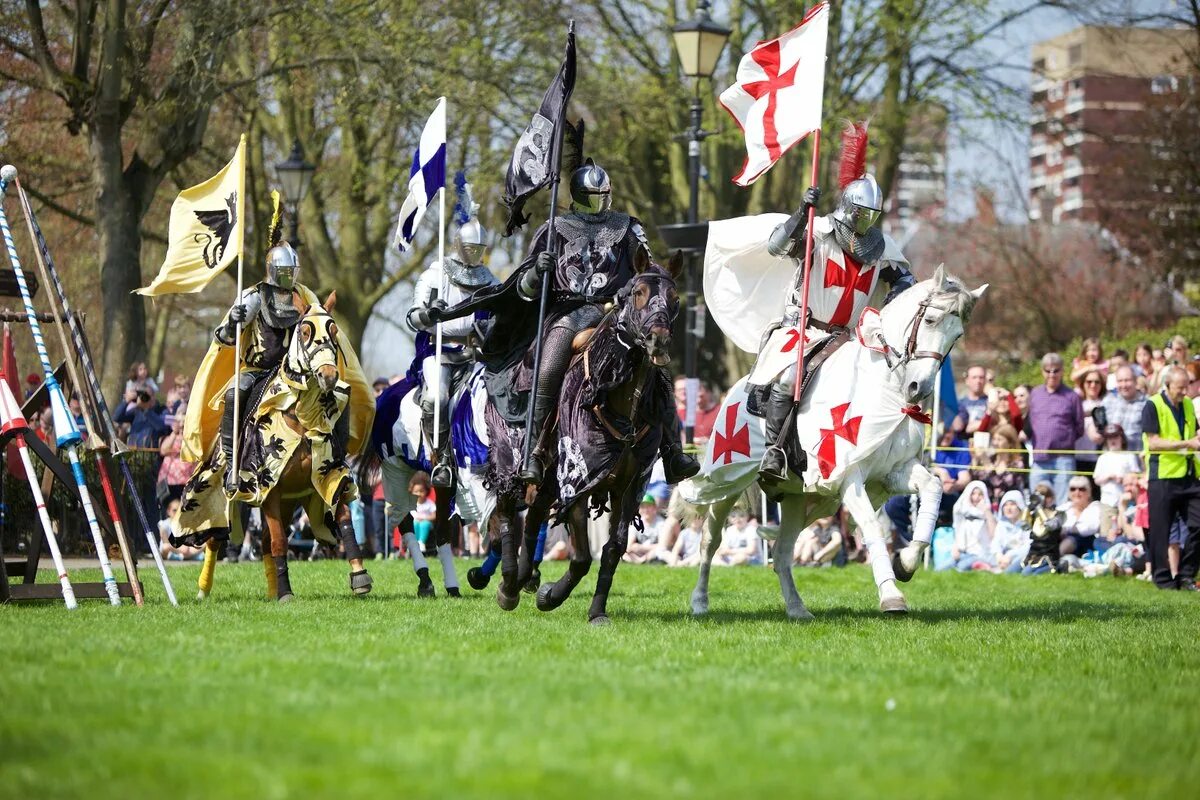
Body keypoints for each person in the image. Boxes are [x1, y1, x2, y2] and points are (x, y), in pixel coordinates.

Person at [422, 160, 697, 486]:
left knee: (655, 362)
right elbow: (523, 287)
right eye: (591, 196)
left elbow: (647, 272)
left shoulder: (629, 228)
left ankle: (673, 451)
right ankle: (534, 451)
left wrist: (629, 293)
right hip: (567, 313)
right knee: (549, 366)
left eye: (602, 195)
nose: (598, 202)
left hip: (617, 312)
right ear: (578, 195)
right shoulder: (553, 230)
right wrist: (539, 271)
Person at [755, 122, 916, 480]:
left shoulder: (882, 247)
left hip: (848, 339)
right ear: (847, 207)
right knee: (788, 378)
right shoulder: (820, 230)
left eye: (872, 216)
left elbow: (906, 280)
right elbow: (776, 247)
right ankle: (774, 451)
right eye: (861, 213)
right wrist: (801, 212)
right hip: (804, 331)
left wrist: (887, 314)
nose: (865, 221)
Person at [405, 180, 499, 488]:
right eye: (470, 248)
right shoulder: (435, 274)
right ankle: (441, 460)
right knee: (438, 398)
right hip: (439, 352)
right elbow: (413, 316)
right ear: (459, 245)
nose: (474, 254)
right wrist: (431, 314)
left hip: (476, 354)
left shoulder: (489, 281)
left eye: (479, 249)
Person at [210, 239, 308, 491]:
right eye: (285, 271)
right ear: (273, 270)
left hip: (290, 373)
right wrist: (233, 321)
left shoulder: (303, 298)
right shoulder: (254, 297)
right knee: (235, 393)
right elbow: (224, 338)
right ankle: (232, 464)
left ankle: (333, 459)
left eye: (292, 272)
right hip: (258, 372)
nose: (289, 277)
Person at [1140, 365, 1200, 590]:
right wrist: (1188, 444)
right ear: (1167, 385)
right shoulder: (1152, 405)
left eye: (1187, 386)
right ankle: (1163, 580)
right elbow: (1153, 442)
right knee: (1160, 532)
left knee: (1198, 524)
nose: (1185, 392)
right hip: (1162, 477)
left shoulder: (1187, 405)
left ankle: (1185, 576)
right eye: (1179, 388)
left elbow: (1194, 433)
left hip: (1188, 475)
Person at [1026, 352, 1084, 502]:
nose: (1052, 374)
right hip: (1039, 459)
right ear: (1042, 372)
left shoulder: (1072, 396)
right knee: (1036, 503)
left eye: (1056, 370)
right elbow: (1031, 421)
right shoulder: (1035, 393)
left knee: (1062, 505)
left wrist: (1063, 440)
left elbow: (1079, 427)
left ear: (1062, 371)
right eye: (1048, 370)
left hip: (1063, 459)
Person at [1093, 424, 1140, 538]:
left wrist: (1124, 479)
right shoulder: (1103, 458)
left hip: (1127, 502)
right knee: (1107, 533)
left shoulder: (1129, 456)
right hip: (1108, 501)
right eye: (1109, 438)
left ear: (1122, 438)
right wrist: (1109, 477)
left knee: (1128, 533)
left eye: (1115, 437)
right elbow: (1096, 479)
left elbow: (1136, 475)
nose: (1112, 441)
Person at [969, 423, 1026, 506]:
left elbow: (1000, 485)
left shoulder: (1017, 464)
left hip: (1008, 508)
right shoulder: (991, 459)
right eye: (994, 439)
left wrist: (986, 462)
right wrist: (975, 458)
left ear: (1010, 443)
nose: (995, 443)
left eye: (999, 440)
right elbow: (975, 479)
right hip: (986, 506)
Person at [949, 480, 995, 571]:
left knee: (961, 567)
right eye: (973, 494)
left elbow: (993, 535)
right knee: (941, 568)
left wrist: (987, 512)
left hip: (980, 554)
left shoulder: (987, 513)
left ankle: (982, 565)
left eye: (980, 494)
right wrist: (956, 547)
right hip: (963, 551)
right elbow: (957, 531)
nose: (976, 497)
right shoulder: (961, 510)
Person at [1102, 365, 1147, 444]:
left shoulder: (1146, 403)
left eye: (1127, 380)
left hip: (1136, 454)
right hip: (1111, 454)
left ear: (1135, 381)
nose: (1124, 385)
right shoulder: (1108, 401)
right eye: (1120, 381)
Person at [157, 414, 195, 505]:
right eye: (179, 422)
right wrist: (174, 433)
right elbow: (163, 450)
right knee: (170, 506)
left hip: (186, 479)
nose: (181, 424)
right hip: (169, 480)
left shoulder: (192, 438)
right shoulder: (171, 437)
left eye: (183, 421)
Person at [1059, 476, 1101, 557]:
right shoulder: (1063, 508)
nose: (1077, 492)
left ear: (1089, 492)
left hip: (1086, 542)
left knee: (1070, 540)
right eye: (1073, 489)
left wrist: (1065, 530)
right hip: (1064, 540)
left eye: (1081, 489)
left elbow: (1086, 529)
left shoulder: (1095, 508)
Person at [1075, 368, 1106, 477]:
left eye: (1097, 382)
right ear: (1083, 384)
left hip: (1099, 458)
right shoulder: (1076, 405)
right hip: (1077, 457)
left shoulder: (1106, 404)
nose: (1093, 385)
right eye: (1089, 382)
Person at [990, 490, 1030, 574]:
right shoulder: (1001, 523)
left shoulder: (1026, 524)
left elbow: (1027, 546)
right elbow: (996, 541)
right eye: (1005, 505)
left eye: (1012, 504)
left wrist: (1010, 555)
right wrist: (998, 555)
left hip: (1018, 556)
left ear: (1019, 506)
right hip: (1003, 557)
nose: (1008, 508)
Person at [625, 494, 667, 563]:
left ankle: (640, 561)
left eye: (648, 506)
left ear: (654, 508)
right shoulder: (636, 523)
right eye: (643, 507)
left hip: (653, 552)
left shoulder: (661, 523)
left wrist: (640, 547)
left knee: (660, 551)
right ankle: (639, 561)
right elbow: (629, 545)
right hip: (637, 554)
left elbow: (662, 545)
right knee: (623, 552)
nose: (645, 510)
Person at [956, 365, 990, 434]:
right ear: (967, 381)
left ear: (985, 380)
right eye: (974, 377)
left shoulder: (991, 402)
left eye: (981, 377)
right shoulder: (959, 403)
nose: (978, 381)